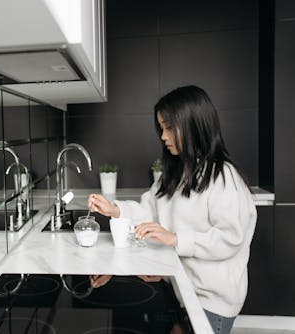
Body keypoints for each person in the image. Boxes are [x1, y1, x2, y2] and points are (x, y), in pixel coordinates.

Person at [88, 85, 256, 334]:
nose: (163, 137)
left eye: (168, 127)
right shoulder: (175, 171)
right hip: (180, 287)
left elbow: (230, 239)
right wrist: (115, 210)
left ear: (193, 125)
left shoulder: (222, 177)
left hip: (212, 301)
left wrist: (175, 239)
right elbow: (150, 211)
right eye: (161, 129)